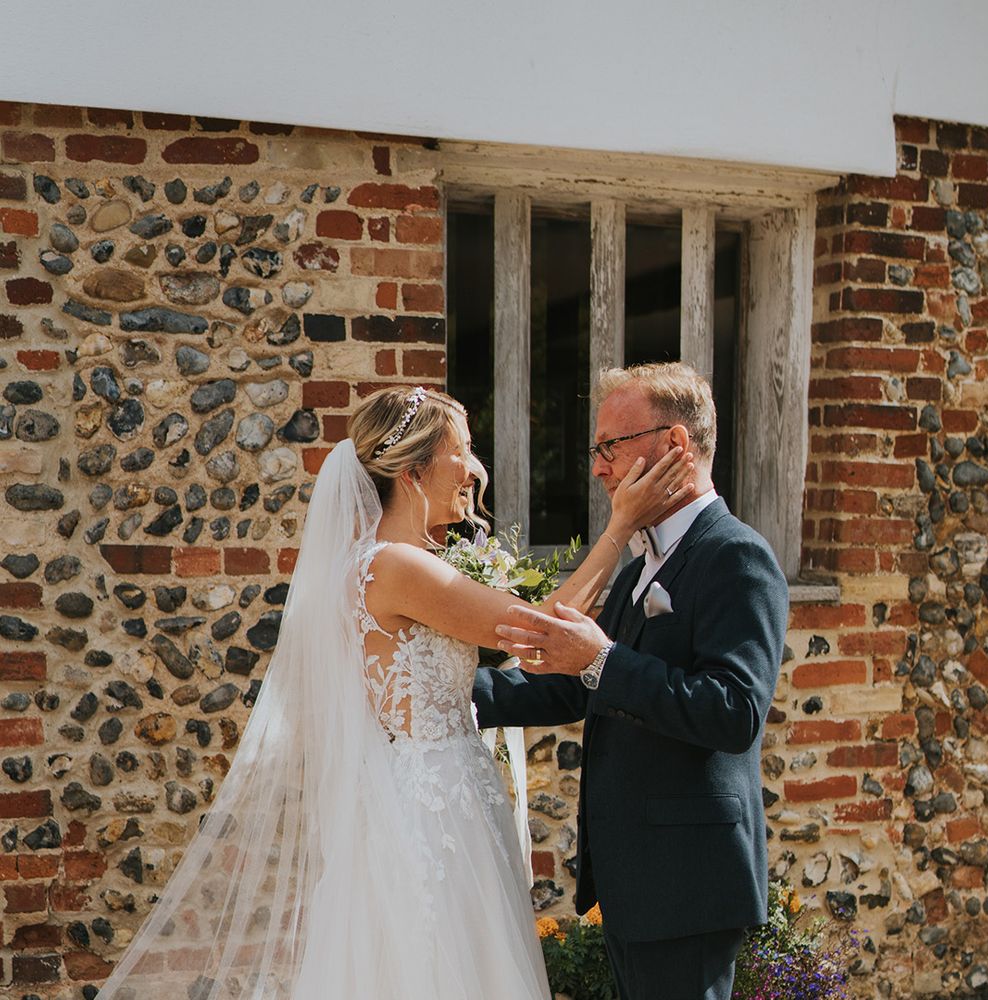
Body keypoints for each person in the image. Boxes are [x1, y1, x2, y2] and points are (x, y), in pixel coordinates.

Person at [95, 384, 694, 1000]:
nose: (475, 469)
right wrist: (620, 526)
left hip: (432, 791)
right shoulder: (397, 567)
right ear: (413, 471)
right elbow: (538, 634)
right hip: (431, 808)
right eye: (461, 452)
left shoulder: (384, 561)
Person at [473, 362, 789, 1000]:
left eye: (609, 448)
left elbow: (734, 712)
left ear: (675, 446)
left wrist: (604, 658)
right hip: (635, 880)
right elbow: (574, 684)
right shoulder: (641, 558)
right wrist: (453, 696)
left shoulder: (737, 556)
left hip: (687, 885)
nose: (597, 468)